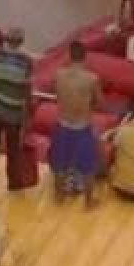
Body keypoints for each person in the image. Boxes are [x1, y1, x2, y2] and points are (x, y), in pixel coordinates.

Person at [49, 41, 103, 206]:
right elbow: (99, 102)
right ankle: (88, 201)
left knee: (59, 163)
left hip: (63, 125)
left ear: (69, 56)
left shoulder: (58, 74)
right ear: (85, 58)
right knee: (89, 166)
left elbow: (55, 93)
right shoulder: (92, 79)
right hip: (81, 127)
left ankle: (59, 197)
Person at [0, 26, 33, 185]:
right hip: (13, 114)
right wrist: (27, 114)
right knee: (12, 150)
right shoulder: (26, 61)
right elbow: (27, 89)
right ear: (21, 42)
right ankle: (13, 182)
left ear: (5, 40)